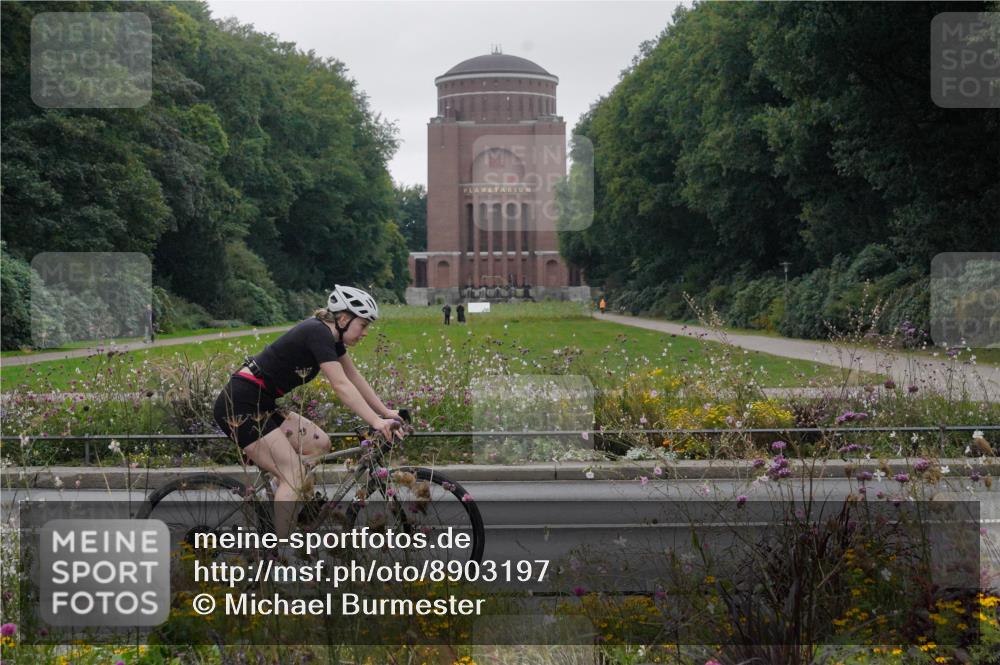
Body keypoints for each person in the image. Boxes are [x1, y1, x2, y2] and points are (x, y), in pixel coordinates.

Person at [212, 284, 405, 539]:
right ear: (344, 319)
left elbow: (353, 376)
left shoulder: (331, 338)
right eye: (364, 325)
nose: (366, 332)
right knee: (294, 475)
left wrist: (385, 412)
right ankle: (279, 558)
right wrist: (375, 422)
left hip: (262, 404)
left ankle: (281, 504)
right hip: (239, 405)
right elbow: (341, 385)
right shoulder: (317, 332)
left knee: (319, 443)